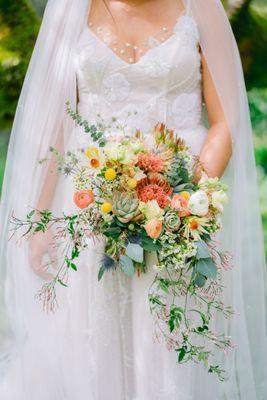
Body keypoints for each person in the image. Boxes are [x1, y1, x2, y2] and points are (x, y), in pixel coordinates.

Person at [0, 0, 266, 399]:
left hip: (179, 209)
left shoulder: (200, 8)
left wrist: (187, 200)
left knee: (170, 340)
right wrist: (39, 220)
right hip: (89, 210)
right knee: (96, 339)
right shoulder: (73, 10)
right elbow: (54, 123)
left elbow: (226, 121)